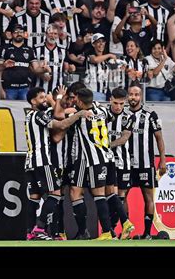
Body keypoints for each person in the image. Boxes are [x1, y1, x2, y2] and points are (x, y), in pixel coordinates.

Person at [24, 86, 91, 240]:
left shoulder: (29, 116)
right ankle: (39, 229)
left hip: (30, 161)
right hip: (43, 160)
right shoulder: (39, 115)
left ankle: (29, 232)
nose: (45, 100)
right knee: (55, 193)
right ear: (33, 101)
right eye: (41, 98)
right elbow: (60, 127)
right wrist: (79, 113)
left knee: (34, 197)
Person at [69, 88, 117, 240]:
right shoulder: (101, 110)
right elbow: (110, 116)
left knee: (99, 195)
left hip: (94, 159)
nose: (74, 101)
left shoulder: (80, 117)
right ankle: (84, 232)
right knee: (75, 192)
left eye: (76, 99)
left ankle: (108, 232)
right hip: (98, 157)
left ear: (81, 102)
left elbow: (62, 119)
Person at [125, 84, 166, 239]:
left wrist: (162, 159)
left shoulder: (151, 115)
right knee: (122, 196)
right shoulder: (123, 114)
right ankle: (126, 231)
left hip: (146, 163)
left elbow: (159, 138)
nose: (133, 97)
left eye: (136, 94)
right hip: (126, 163)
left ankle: (147, 233)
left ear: (141, 96)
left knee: (148, 197)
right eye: (131, 94)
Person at [106, 87, 135, 239]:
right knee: (108, 195)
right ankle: (111, 229)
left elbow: (124, 139)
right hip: (105, 162)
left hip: (123, 162)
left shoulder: (129, 117)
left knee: (121, 197)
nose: (118, 107)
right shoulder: (103, 114)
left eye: (121, 104)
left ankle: (116, 229)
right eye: (116, 103)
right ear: (110, 99)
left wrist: (106, 145)